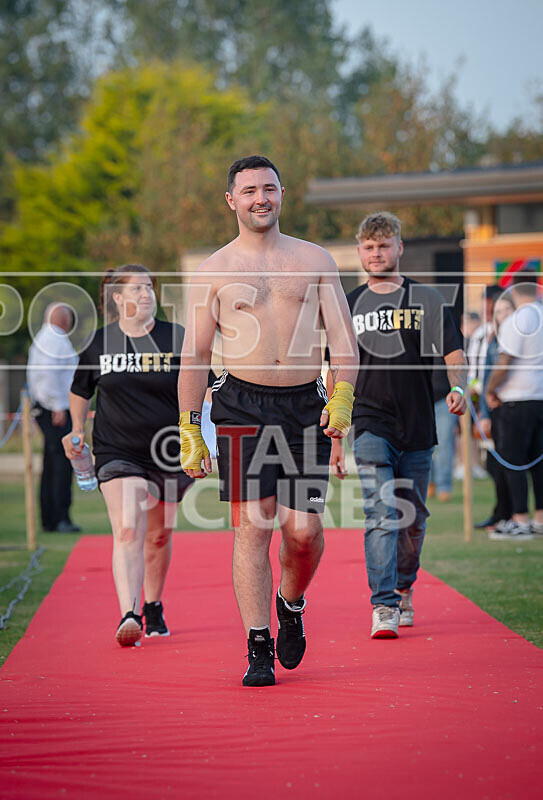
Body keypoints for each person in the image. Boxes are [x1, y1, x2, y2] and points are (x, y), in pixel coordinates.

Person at [178, 155, 358, 686]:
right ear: (231, 200)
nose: (262, 198)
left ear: (282, 194)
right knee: (251, 527)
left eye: (270, 188)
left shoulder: (315, 259)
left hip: (304, 406)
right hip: (240, 404)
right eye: (250, 190)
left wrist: (343, 396)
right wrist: (190, 426)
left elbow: (345, 343)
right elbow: (195, 356)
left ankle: (291, 602)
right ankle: (258, 644)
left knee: (303, 532)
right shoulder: (213, 271)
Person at [329, 212, 467, 639]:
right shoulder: (348, 304)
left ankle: (405, 587)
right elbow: (335, 368)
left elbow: (454, 353)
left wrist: (459, 388)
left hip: (419, 425)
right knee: (381, 512)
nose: (376, 253)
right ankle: (384, 604)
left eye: (384, 246)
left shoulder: (427, 299)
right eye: (369, 247)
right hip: (370, 422)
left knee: (413, 519)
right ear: (359, 252)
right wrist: (336, 437)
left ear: (399, 248)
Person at [63, 264, 195, 647]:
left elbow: (199, 384)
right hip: (116, 450)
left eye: (149, 287)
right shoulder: (100, 343)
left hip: (169, 452)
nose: (146, 294)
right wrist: (76, 428)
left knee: (158, 535)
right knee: (127, 529)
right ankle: (129, 614)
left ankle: (153, 605)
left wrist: (203, 431)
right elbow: (80, 390)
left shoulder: (175, 337)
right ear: (118, 298)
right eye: (137, 289)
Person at [485, 272, 543, 539]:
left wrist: (490, 390)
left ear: (514, 290)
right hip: (539, 398)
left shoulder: (517, 319)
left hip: (516, 398)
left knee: (512, 462)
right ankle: (540, 519)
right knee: (538, 463)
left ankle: (520, 519)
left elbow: (505, 361)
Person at [27, 303, 80, 533]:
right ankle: (59, 517)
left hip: (48, 406)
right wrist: (58, 405)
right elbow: (48, 374)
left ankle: (51, 517)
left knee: (52, 463)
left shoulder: (45, 338)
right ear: (64, 320)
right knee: (61, 463)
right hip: (55, 408)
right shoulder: (54, 339)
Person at [474, 293, 515, 534]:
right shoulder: (490, 336)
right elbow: (484, 374)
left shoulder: (511, 337)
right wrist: (483, 411)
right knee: (496, 464)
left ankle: (512, 515)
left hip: (507, 404)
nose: (499, 315)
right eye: (496, 311)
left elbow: (496, 373)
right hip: (492, 405)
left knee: (508, 464)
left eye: (503, 310)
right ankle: (502, 513)